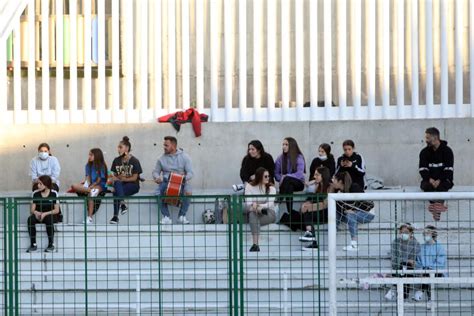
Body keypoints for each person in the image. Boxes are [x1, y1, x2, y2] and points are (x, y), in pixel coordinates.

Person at [153, 136, 194, 225]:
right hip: (166, 182)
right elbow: (155, 172)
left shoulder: (185, 157)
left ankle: (181, 216)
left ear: (173, 146)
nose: (164, 147)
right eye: (164, 145)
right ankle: (166, 217)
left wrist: (182, 178)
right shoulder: (160, 158)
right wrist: (157, 177)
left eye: (166, 145)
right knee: (157, 192)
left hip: (181, 182)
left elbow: (190, 173)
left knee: (188, 191)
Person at [332, 172, 374, 251]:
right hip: (351, 215)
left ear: (340, 181)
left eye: (334, 179)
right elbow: (340, 210)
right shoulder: (338, 193)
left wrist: (354, 210)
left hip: (367, 214)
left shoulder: (354, 187)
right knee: (335, 214)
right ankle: (332, 240)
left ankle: (354, 244)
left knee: (350, 215)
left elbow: (369, 205)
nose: (332, 181)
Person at [419, 127, 454, 221]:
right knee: (426, 186)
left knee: (444, 186)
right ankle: (436, 208)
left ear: (435, 138)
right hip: (429, 180)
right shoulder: (424, 152)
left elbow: (448, 169)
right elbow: (422, 169)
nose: (426, 140)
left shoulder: (447, 151)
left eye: (428, 138)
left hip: (443, 180)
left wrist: (439, 180)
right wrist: (430, 179)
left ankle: (436, 210)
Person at [109, 136, 143, 224]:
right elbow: (112, 176)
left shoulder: (134, 161)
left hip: (133, 186)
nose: (118, 149)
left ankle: (115, 216)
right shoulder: (116, 160)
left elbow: (135, 178)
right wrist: (111, 183)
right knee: (116, 186)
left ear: (127, 148)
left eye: (120, 147)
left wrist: (123, 179)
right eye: (118, 147)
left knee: (116, 191)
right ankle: (123, 205)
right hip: (120, 185)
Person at [299, 166, 332, 251]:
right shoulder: (317, 186)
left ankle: (311, 237)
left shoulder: (330, 187)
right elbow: (312, 199)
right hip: (318, 211)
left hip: (327, 213)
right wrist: (306, 204)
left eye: (317, 175)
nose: (314, 177)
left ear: (323, 176)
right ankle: (311, 237)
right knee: (299, 213)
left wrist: (308, 207)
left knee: (307, 212)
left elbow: (325, 204)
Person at [71, 148, 108, 224]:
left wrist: (92, 185)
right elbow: (87, 177)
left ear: (97, 156)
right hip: (91, 186)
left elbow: (99, 180)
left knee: (91, 194)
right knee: (73, 186)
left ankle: (89, 218)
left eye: (91, 155)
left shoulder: (101, 165)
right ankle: (91, 191)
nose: (89, 156)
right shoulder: (88, 165)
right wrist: (87, 185)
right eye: (89, 154)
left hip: (100, 185)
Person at [244, 167, 277, 252]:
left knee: (252, 217)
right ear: (259, 177)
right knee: (252, 214)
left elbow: (269, 204)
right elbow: (248, 203)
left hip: (269, 213)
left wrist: (257, 205)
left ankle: (255, 245)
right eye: (265, 176)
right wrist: (255, 207)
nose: (268, 178)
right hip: (253, 212)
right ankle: (255, 245)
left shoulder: (271, 189)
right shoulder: (249, 186)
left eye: (268, 176)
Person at [385, 223, 421, 301]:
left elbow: (413, 260)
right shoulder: (396, 242)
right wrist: (406, 260)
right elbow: (394, 258)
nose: (403, 234)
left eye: (406, 232)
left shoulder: (416, 243)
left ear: (411, 233)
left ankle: (394, 289)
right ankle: (404, 297)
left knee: (406, 268)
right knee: (402, 267)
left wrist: (405, 260)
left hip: (410, 268)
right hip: (397, 266)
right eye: (401, 232)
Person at [27, 175, 61, 253]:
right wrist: (37, 213)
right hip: (39, 215)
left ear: (46, 185)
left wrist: (45, 214)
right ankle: (33, 244)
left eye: (40, 184)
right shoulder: (35, 194)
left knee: (49, 219)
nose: (38, 185)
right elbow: (32, 210)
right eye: (38, 183)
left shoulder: (54, 194)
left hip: (50, 215)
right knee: (30, 219)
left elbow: (56, 210)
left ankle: (51, 244)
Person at [413, 225, 446, 303]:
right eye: (424, 233)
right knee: (426, 274)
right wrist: (419, 268)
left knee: (428, 273)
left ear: (433, 234)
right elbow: (418, 262)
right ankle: (430, 299)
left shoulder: (439, 247)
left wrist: (430, 268)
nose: (425, 235)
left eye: (427, 233)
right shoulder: (421, 247)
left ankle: (420, 291)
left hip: (437, 271)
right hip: (423, 272)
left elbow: (440, 263)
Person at [274, 137, 306, 213]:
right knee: (289, 186)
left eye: (286, 144)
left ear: (292, 146)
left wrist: (285, 176)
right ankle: (290, 212)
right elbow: (276, 173)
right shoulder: (280, 158)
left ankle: (278, 202)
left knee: (287, 179)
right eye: (283, 144)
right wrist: (282, 178)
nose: (284, 146)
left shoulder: (299, 157)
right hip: (287, 184)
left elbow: (299, 174)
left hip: (298, 183)